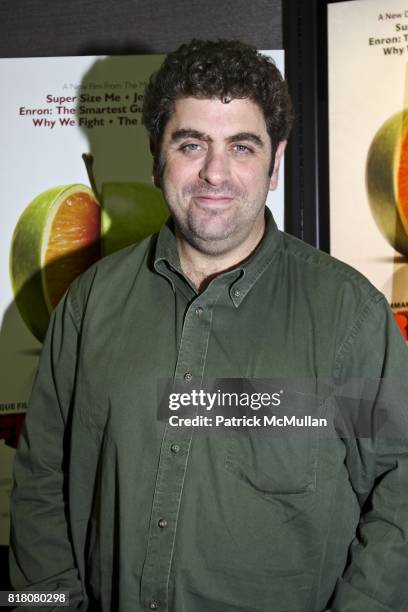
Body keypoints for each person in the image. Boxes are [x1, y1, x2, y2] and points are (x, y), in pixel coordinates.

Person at [9, 39, 408, 612]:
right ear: (157, 156)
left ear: (276, 164)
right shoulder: (89, 303)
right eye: (191, 144)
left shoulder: (349, 314)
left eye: (242, 147)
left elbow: (401, 489)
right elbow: (40, 485)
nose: (214, 173)